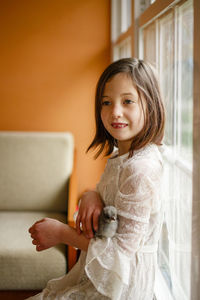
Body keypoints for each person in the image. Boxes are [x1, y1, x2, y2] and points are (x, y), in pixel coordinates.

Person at [27, 57, 165, 300]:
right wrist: (91, 194)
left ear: (151, 105)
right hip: (100, 279)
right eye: (106, 102)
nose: (115, 112)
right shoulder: (123, 156)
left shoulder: (140, 169)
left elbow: (120, 259)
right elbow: (111, 198)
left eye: (128, 101)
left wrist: (62, 233)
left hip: (119, 289)